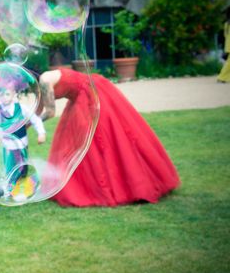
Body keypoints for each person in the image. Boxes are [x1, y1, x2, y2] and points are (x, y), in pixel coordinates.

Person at [38, 68, 180, 207]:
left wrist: (34, 123)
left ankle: (131, 184)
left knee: (101, 136)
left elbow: (50, 112)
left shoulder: (44, 80)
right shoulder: (41, 82)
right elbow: (37, 108)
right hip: (80, 96)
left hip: (90, 93)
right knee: (79, 142)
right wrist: (26, 123)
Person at [218, 8, 230, 83]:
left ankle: (223, 77)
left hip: (228, 44)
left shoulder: (227, 23)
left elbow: (225, 35)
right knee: (229, 62)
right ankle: (222, 77)